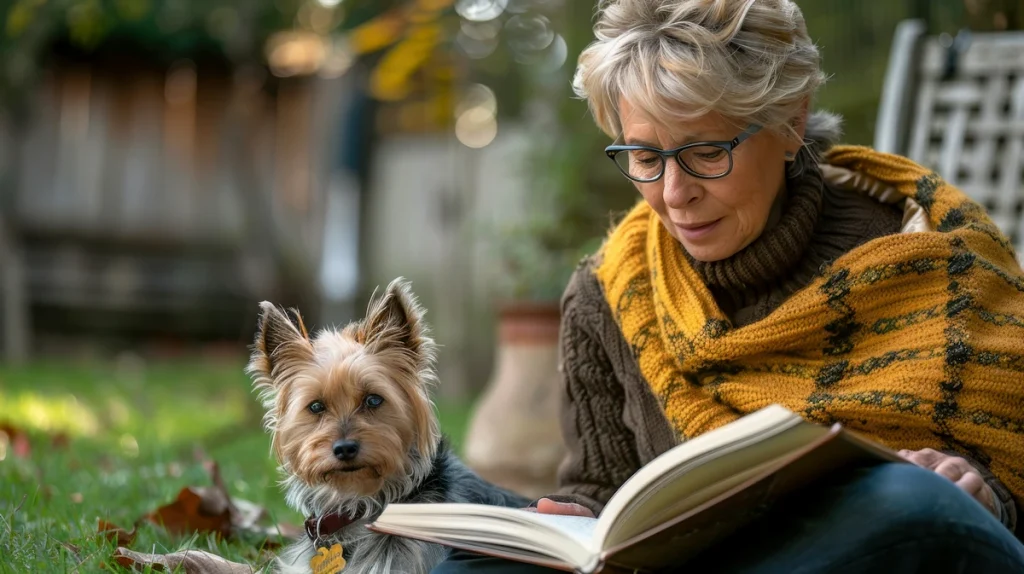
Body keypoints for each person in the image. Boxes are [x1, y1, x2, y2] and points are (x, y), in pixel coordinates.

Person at [433, 0, 1024, 572]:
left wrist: (983, 494)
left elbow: (994, 489)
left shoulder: (933, 263)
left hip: (886, 545)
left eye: (706, 152)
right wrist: (570, 525)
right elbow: (600, 490)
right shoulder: (607, 295)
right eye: (644, 156)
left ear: (790, 121)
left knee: (909, 504)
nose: (673, 193)